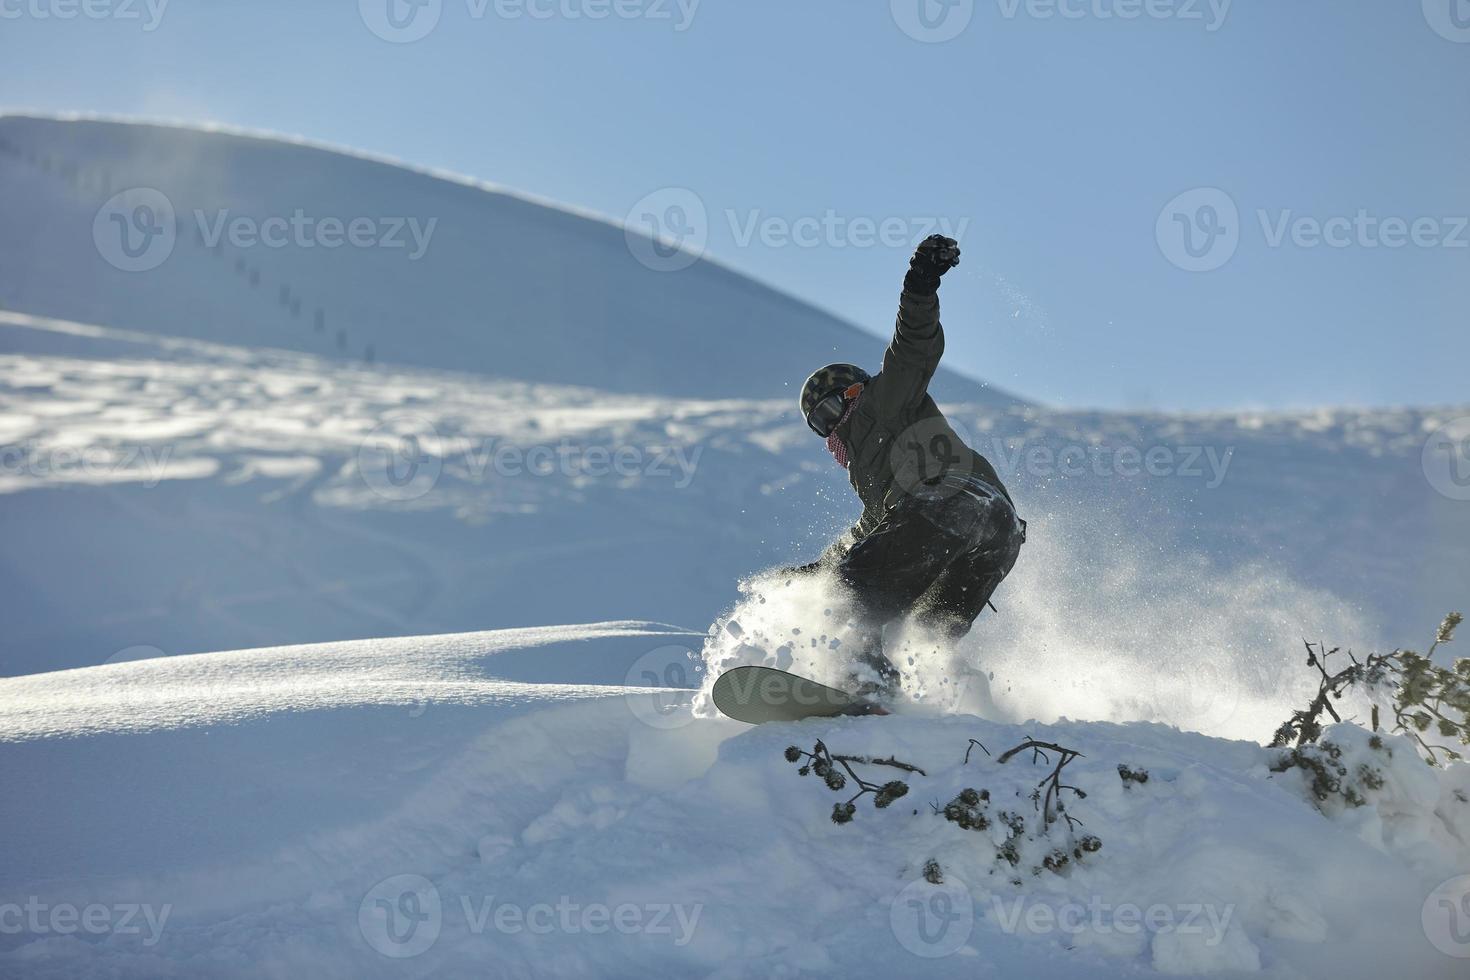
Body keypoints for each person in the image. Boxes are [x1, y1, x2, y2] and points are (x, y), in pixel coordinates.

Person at [789, 235, 1025, 698]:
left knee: (850, 594)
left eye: (831, 409)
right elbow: (869, 535)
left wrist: (920, 284)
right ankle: (942, 703)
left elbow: (912, 347)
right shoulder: (873, 478)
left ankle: (866, 685)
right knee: (921, 638)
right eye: (819, 424)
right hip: (997, 535)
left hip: (951, 502)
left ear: (854, 392)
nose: (832, 425)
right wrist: (807, 577)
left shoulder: (885, 399)